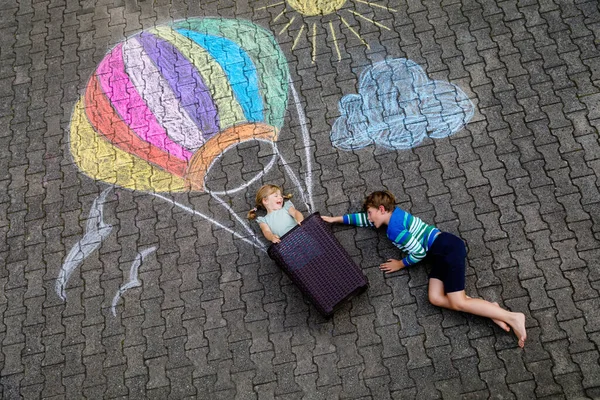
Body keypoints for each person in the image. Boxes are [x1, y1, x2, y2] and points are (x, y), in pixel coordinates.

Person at [322, 190, 527, 348]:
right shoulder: (395, 215)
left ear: (381, 210)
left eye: (370, 212)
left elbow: (419, 254)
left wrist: (400, 264)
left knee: (458, 302)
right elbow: (363, 220)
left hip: (447, 250)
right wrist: (335, 219)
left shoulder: (394, 230)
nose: (369, 217)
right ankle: (491, 309)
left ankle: (513, 317)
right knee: (435, 298)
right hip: (440, 252)